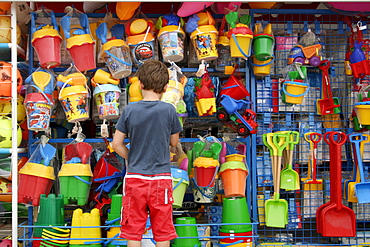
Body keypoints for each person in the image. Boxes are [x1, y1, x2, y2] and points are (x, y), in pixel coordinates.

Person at [111, 60, 183, 247]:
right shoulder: (169, 110)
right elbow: (174, 142)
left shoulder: (129, 110)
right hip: (161, 179)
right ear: (166, 87)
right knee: (162, 232)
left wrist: (132, 157)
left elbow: (116, 144)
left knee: (133, 232)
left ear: (140, 84)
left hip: (135, 178)